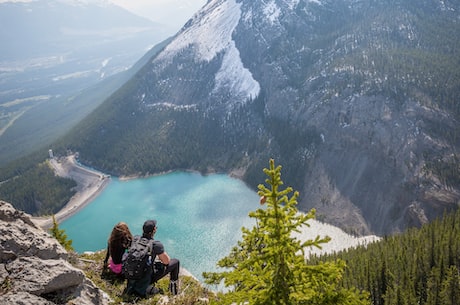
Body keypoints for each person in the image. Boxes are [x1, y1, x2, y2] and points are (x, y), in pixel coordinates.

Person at [125, 219, 180, 297]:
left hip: (132, 275)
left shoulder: (135, 238)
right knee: (176, 262)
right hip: (146, 277)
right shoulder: (156, 244)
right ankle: (173, 290)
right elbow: (166, 262)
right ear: (154, 230)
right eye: (155, 228)